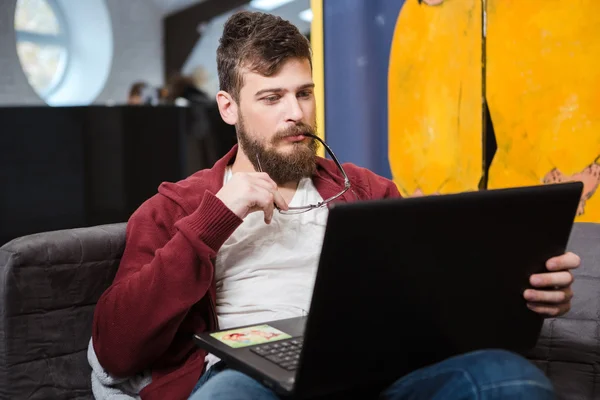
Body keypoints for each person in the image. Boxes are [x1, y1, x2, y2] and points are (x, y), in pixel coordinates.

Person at [90, 11, 580, 400]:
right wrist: (216, 218)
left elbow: (435, 304)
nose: (295, 113)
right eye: (271, 97)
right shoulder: (177, 207)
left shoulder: (368, 192)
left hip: (373, 374)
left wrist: (523, 293)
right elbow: (116, 349)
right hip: (250, 378)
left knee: (507, 379)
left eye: (304, 93)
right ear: (228, 108)